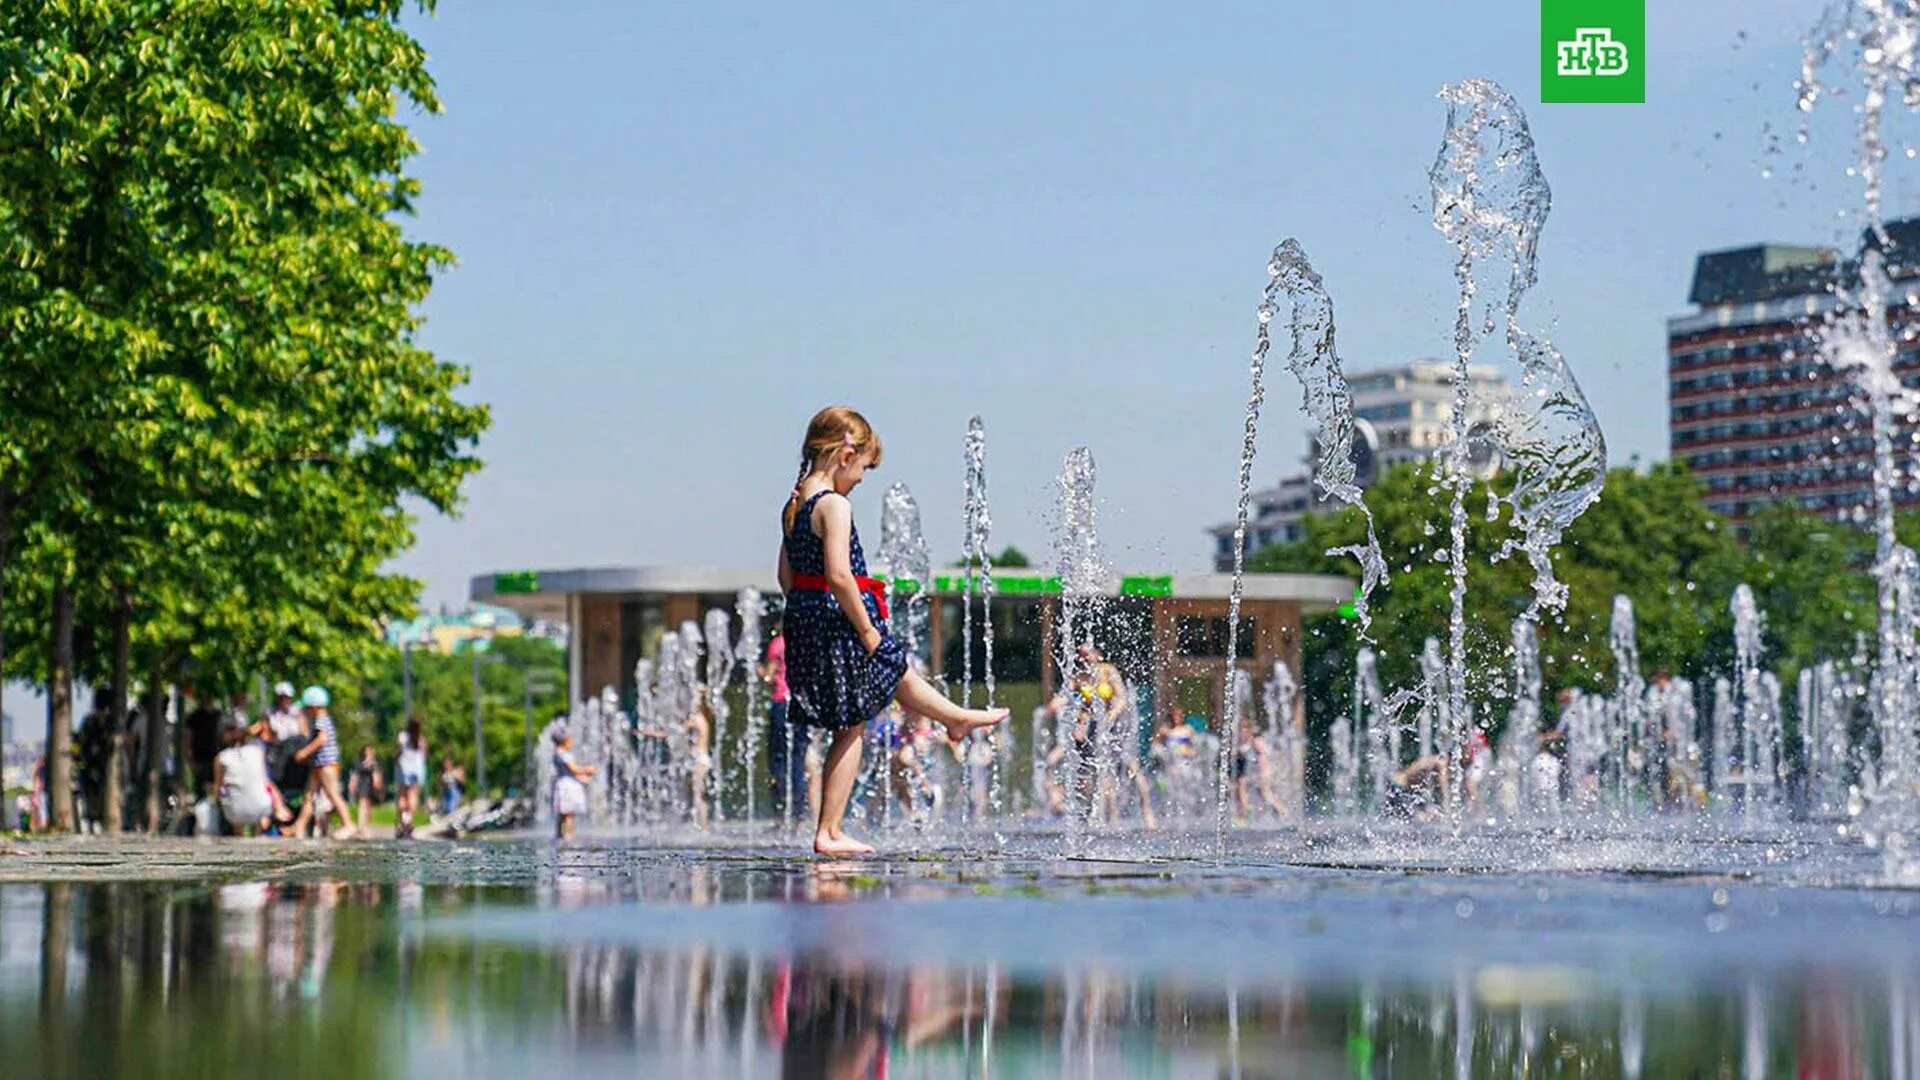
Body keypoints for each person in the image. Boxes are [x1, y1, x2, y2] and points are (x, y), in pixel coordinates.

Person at [777, 406, 1006, 855]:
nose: (862, 479)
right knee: (853, 724)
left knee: (892, 670)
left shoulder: (794, 502)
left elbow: (785, 575)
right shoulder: (834, 506)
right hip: (840, 616)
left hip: (807, 616)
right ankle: (830, 832)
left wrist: (807, 613)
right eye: (863, 467)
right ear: (845, 453)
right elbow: (840, 575)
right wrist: (864, 629)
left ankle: (953, 717)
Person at [760, 619, 810, 826]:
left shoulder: (779, 643)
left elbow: (769, 677)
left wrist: (758, 671)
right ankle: (798, 815)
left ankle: (781, 815)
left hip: (782, 703)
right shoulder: (804, 642)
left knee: (779, 759)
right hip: (802, 703)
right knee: (798, 759)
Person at [292, 686, 358, 840]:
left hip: (326, 764)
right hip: (318, 764)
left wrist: (304, 752)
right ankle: (300, 827)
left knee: (333, 794)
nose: (307, 712)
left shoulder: (321, 720)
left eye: (308, 708)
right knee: (309, 796)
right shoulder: (320, 720)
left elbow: (322, 739)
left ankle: (348, 824)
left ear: (314, 707)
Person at [213, 714, 285, 836]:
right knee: (255, 794)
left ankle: (238, 836)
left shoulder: (221, 758)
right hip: (261, 807)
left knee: (233, 799)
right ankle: (257, 835)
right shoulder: (258, 751)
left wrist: (216, 802)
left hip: (236, 811)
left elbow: (218, 789)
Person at [550, 724, 596, 840]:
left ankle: (559, 834)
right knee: (569, 813)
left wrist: (581, 778)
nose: (572, 742)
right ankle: (568, 835)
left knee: (563, 813)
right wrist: (587, 770)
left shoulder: (558, 753)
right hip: (568, 786)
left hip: (565, 783)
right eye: (570, 739)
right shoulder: (562, 754)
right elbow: (573, 769)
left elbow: (570, 772)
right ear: (564, 741)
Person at [395, 717, 427, 839]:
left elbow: (398, 752)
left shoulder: (402, 737)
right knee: (413, 795)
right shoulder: (421, 739)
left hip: (404, 767)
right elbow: (424, 755)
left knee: (402, 794)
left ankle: (401, 821)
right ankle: (409, 822)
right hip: (417, 768)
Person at [687, 689, 714, 828]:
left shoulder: (697, 719)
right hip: (702, 759)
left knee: (698, 795)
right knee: (696, 793)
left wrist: (650, 733)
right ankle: (700, 824)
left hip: (700, 760)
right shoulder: (703, 717)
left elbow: (674, 730)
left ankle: (704, 827)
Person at [348, 746, 383, 834]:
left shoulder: (374, 763)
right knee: (362, 804)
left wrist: (378, 784)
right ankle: (361, 825)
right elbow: (354, 774)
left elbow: (377, 774)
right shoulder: (360, 762)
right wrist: (352, 784)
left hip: (370, 786)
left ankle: (367, 825)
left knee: (368, 806)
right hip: (362, 785)